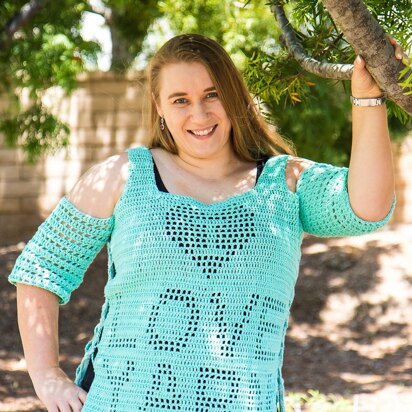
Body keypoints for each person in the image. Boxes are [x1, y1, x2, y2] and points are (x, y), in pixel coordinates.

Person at [8, 33, 403, 412]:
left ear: (233, 96)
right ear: (159, 106)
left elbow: (366, 206)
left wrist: (368, 98)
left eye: (212, 94)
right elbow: (42, 268)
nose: (199, 113)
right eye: (181, 100)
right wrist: (46, 375)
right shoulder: (123, 177)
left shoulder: (285, 183)